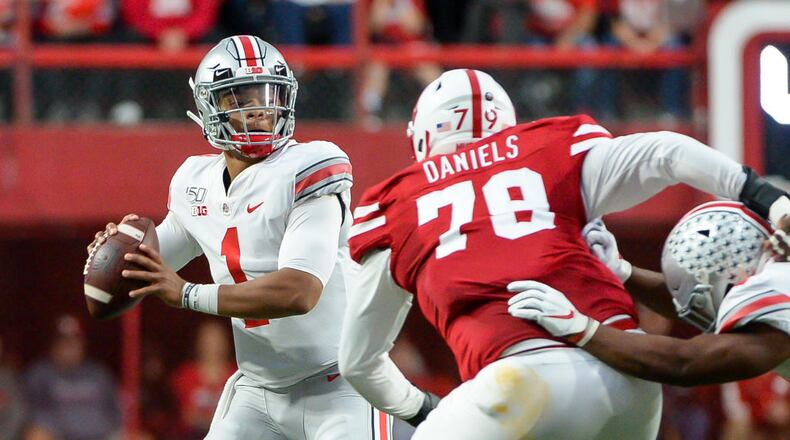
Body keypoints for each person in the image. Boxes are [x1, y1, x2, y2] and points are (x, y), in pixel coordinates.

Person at [337, 68, 790, 439]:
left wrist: (423, 409)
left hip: (523, 380)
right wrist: (767, 197)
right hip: (635, 379)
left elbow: (358, 361)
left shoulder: (395, 204)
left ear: (423, 137)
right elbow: (665, 152)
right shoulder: (552, 146)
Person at [89, 35, 391, 439]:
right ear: (210, 107)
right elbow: (144, 272)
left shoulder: (311, 167)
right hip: (258, 391)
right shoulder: (195, 181)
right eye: (242, 98)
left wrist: (185, 293)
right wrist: (114, 254)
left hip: (340, 385)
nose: (261, 110)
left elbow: (299, 291)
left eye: (269, 95)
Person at [507, 200, 790, 389]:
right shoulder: (775, 279)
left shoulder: (776, 291)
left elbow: (684, 362)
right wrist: (622, 272)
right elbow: (692, 305)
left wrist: (581, 328)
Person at [23, 315, 120, 440]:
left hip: (102, 435)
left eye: (74, 341)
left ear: (83, 344)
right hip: (59, 436)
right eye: (63, 341)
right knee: (36, 435)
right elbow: (29, 412)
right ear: (53, 345)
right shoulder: (39, 374)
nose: (68, 346)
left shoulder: (99, 373)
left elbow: (117, 408)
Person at [170, 320, 235, 439]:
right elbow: (188, 416)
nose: (213, 346)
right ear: (199, 343)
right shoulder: (185, 375)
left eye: (217, 340)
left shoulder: (237, 376)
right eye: (208, 340)